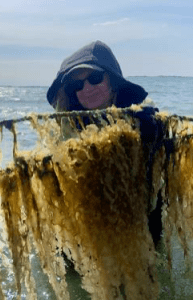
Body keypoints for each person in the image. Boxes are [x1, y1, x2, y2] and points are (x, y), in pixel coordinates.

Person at [46, 40, 164, 248]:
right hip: (89, 220)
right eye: (77, 85)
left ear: (112, 80)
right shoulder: (67, 119)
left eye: (95, 78)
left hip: (139, 215)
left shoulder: (142, 113)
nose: (87, 88)